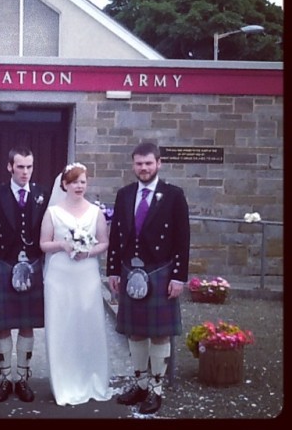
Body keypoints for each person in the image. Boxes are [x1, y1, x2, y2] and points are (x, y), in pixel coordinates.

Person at [106, 142, 190, 415]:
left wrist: (178, 277)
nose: (143, 168)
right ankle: (140, 383)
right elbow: (116, 236)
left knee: (159, 334)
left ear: (159, 163)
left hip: (160, 271)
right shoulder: (124, 194)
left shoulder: (174, 195)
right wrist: (114, 270)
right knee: (136, 331)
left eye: (148, 163)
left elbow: (182, 239)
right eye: (139, 164)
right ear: (133, 165)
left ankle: (156, 389)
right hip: (131, 272)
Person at [0, 146, 50, 403]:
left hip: (31, 265)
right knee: (2, 325)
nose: (25, 172)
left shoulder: (42, 194)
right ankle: (6, 378)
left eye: (29, 167)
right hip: (3, 265)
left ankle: (23, 378)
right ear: (10, 167)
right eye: (20, 167)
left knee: (28, 324)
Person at [39, 162, 113, 406]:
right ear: (64, 185)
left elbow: (104, 242)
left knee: (88, 327)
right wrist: (63, 245)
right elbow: (43, 244)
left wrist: (88, 252)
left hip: (86, 274)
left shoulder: (95, 212)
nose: (79, 186)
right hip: (60, 276)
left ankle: (91, 378)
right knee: (63, 327)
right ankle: (64, 382)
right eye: (74, 182)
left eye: (83, 181)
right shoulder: (53, 212)